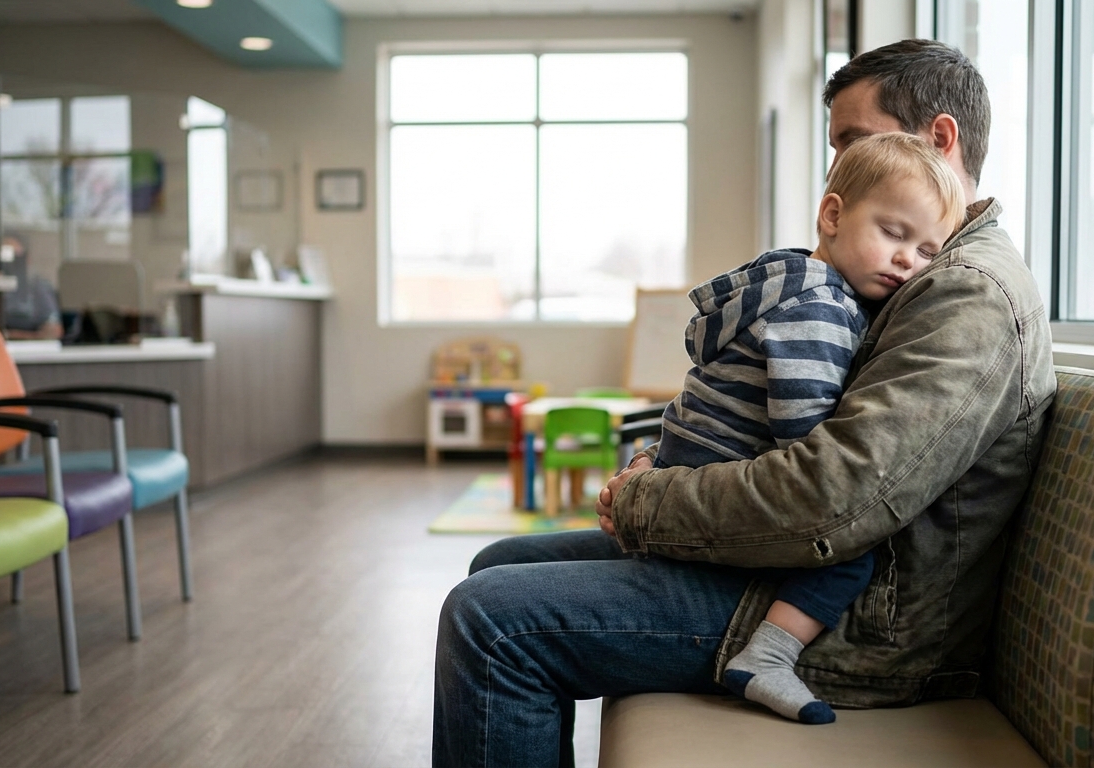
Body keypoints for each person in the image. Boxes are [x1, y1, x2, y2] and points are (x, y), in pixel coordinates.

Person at [434, 39, 1056, 768]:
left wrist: (648, 501)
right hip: (790, 568)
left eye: (855, 140)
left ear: (939, 138)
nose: (838, 170)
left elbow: (834, 499)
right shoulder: (902, 276)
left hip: (853, 618)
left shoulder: (968, 294)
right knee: (493, 563)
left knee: (490, 622)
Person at [653, 132, 965, 725]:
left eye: (927, 251)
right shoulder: (822, 306)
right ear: (833, 215)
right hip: (712, 480)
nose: (907, 260)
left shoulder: (784, 279)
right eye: (893, 233)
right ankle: (767, 657)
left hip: (682, 458)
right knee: (851, 548)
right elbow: (804, 441)